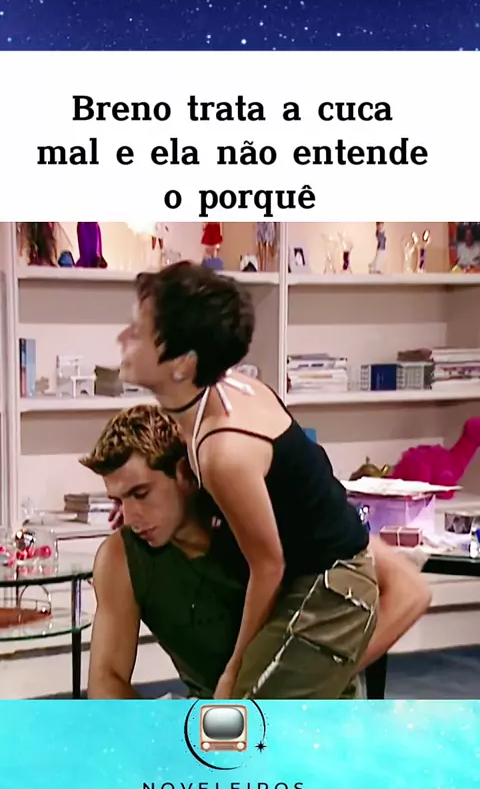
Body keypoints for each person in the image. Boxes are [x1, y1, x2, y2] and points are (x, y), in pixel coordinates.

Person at [116, 263, 432, 699]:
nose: (123, 338)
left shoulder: (224, 450)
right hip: (314, 575)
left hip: (330, 590)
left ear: (183, 364)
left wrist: (233, 672)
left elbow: (268, 566)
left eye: (138, 331)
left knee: (242, 712)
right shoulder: (222, 392)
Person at [83, 404, 431, 700]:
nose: (130, 517)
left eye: (141, 494)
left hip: (312, 719)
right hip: (223, 721)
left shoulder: (265, 513)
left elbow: (409, 590)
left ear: (185, 474)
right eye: (119, 500)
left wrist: (314, 677)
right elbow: (105, 682)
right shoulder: (121, 558)